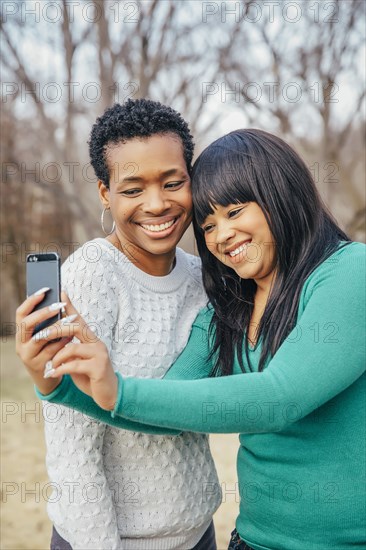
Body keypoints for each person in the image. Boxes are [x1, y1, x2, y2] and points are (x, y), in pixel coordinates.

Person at [24, 129, 365, 550]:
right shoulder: (229, 304)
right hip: (252, 541)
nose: (221, 234)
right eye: (207, 224)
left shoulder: (350, 273)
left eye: (235, 211)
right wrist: (57, 388)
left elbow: (281, 397)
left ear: (281, 193)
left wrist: (118, 390)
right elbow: (166, 408)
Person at [15, 99, 222, 550]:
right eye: (132, 189)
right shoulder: (92, 275)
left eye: (173, 182)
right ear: (105, 193)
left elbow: (193, 406)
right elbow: (73, 451)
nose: (157, 204)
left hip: (197, 534)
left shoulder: (202, 276)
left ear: (192, 180)